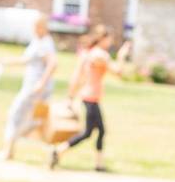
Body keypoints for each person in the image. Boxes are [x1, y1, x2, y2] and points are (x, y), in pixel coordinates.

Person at [49, 26, 130, 172]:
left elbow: (77, 76)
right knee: (88, 132)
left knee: (100, 131)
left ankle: (98, 164)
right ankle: (59, 150)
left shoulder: (89, 53)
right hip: (91, 97)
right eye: (109, 39)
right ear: (103, 39)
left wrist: (71, 96)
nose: (111, 42)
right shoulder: (100, 55)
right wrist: (122, 56)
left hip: (88, 96)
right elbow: (118, 72)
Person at [0, 14, 57, 161]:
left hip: (35, 89)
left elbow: (52, 64)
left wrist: (41, 83)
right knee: (32, 121)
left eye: (37, 27)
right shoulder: (38, 41)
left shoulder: (46, 43)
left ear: (43, 27)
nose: (34, 30)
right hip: (33, 87)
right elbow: (27, 60)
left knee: (15, 114)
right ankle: (51, 151)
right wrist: (7, 62)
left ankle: (7, 152)